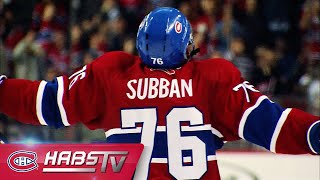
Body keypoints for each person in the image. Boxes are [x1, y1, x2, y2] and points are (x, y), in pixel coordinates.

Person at [0, 7, 319, 180]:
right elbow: (273, 126)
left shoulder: (114, 73)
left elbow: (44, 103)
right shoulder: (211, 78)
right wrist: (314, 133)